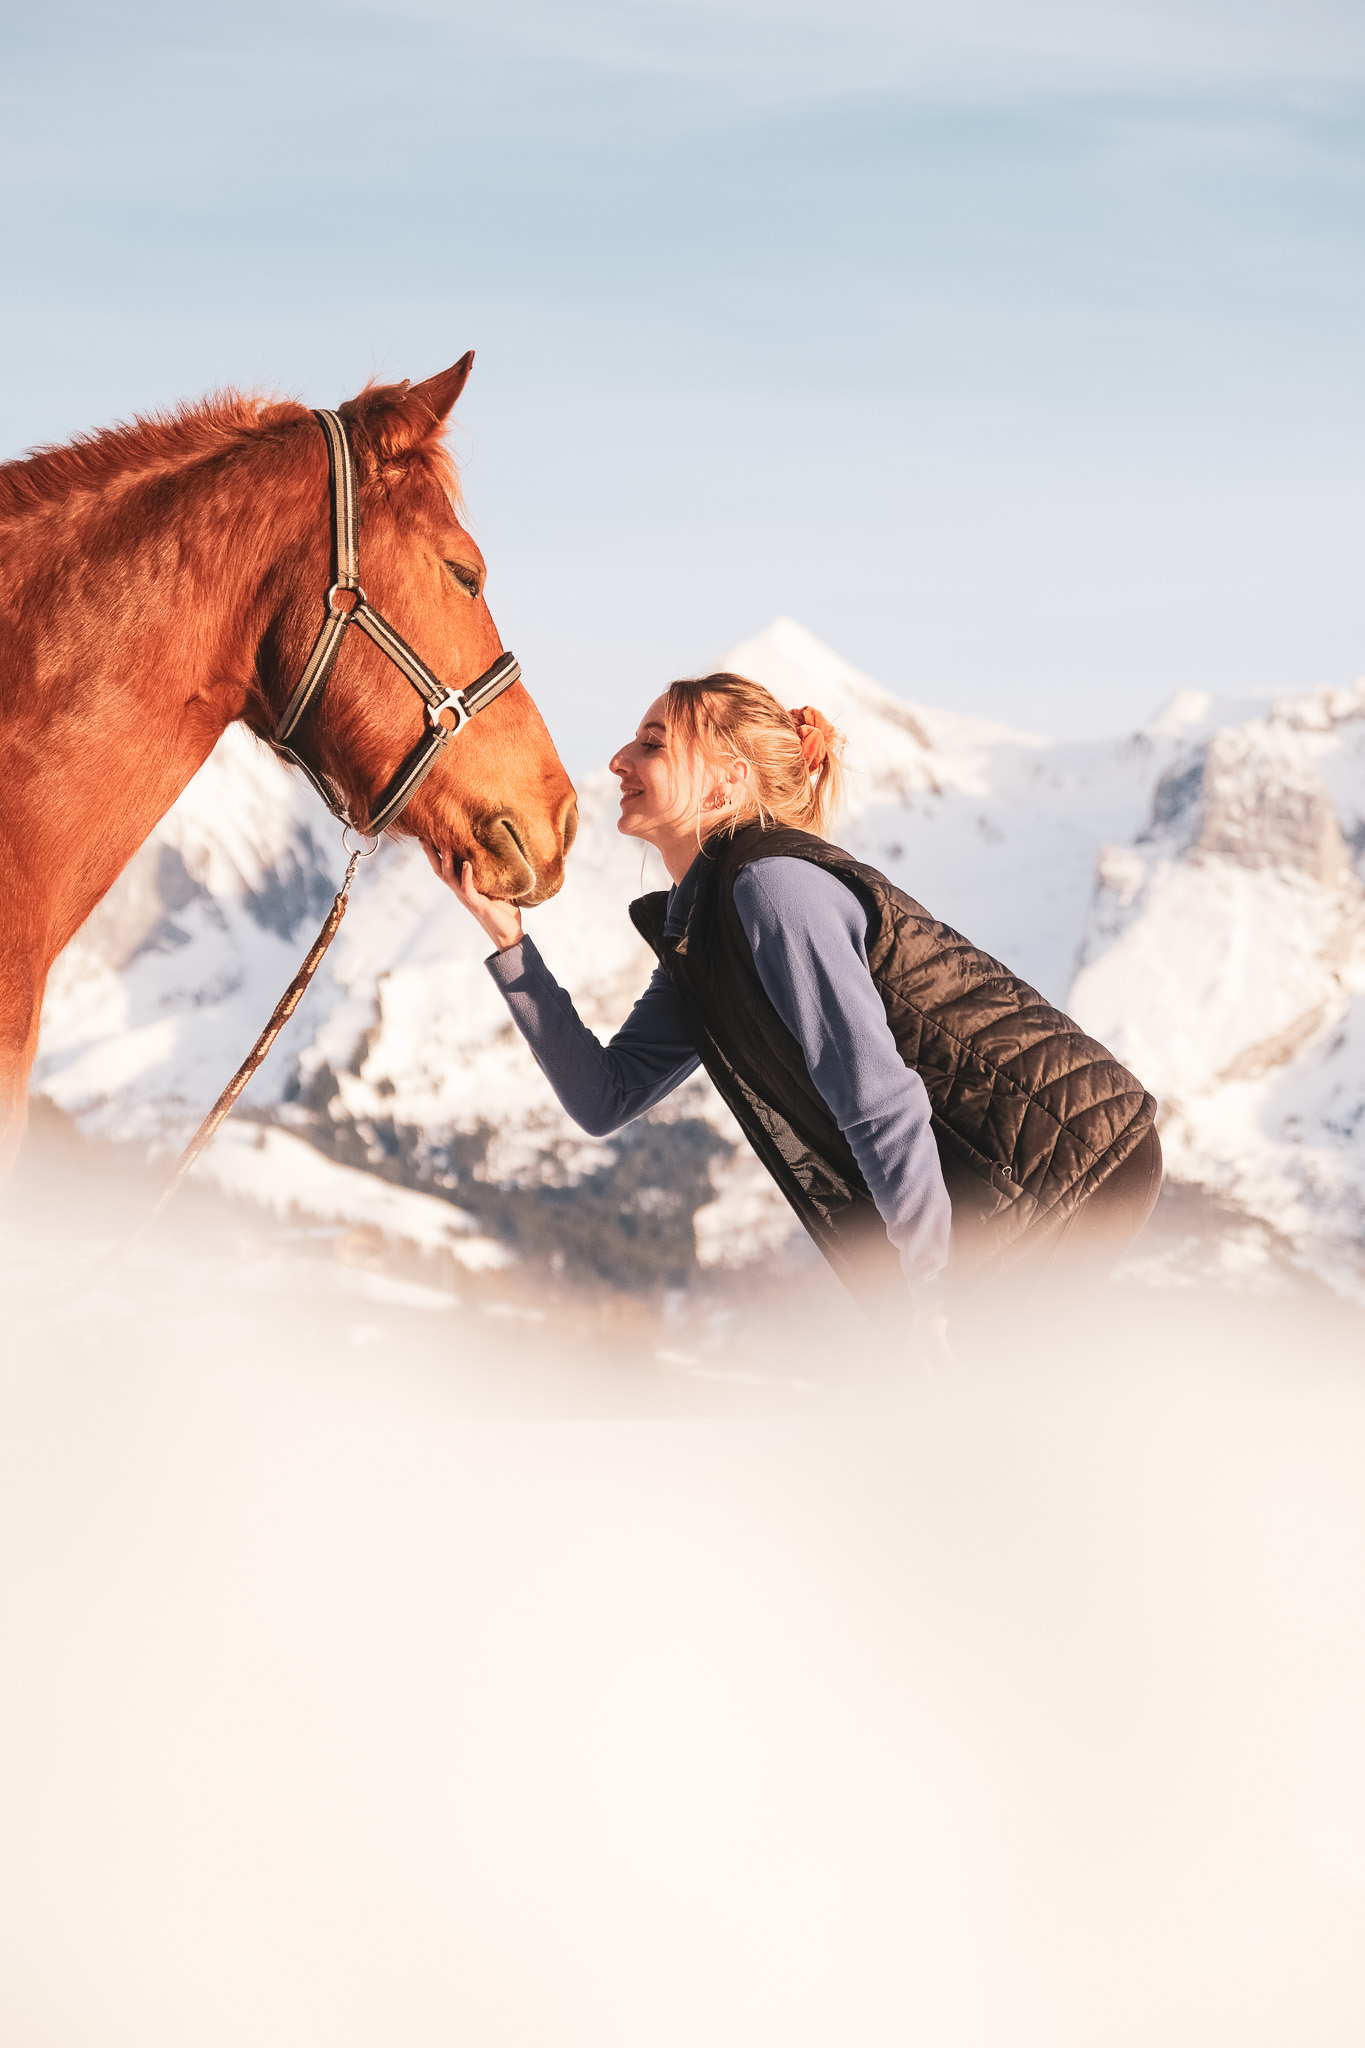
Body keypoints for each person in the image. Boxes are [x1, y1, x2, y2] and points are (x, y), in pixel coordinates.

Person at [426, 672, 1161, 1340]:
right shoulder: (705, 927)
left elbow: (876, 1097)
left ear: (723, 786)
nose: (617, 761)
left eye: (651, 743)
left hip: (1069, 1166)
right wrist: (510, 945)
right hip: (1002, 1183)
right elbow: (604, 1097)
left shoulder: (774, 889)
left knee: (983, 1415)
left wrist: (931, 1294)